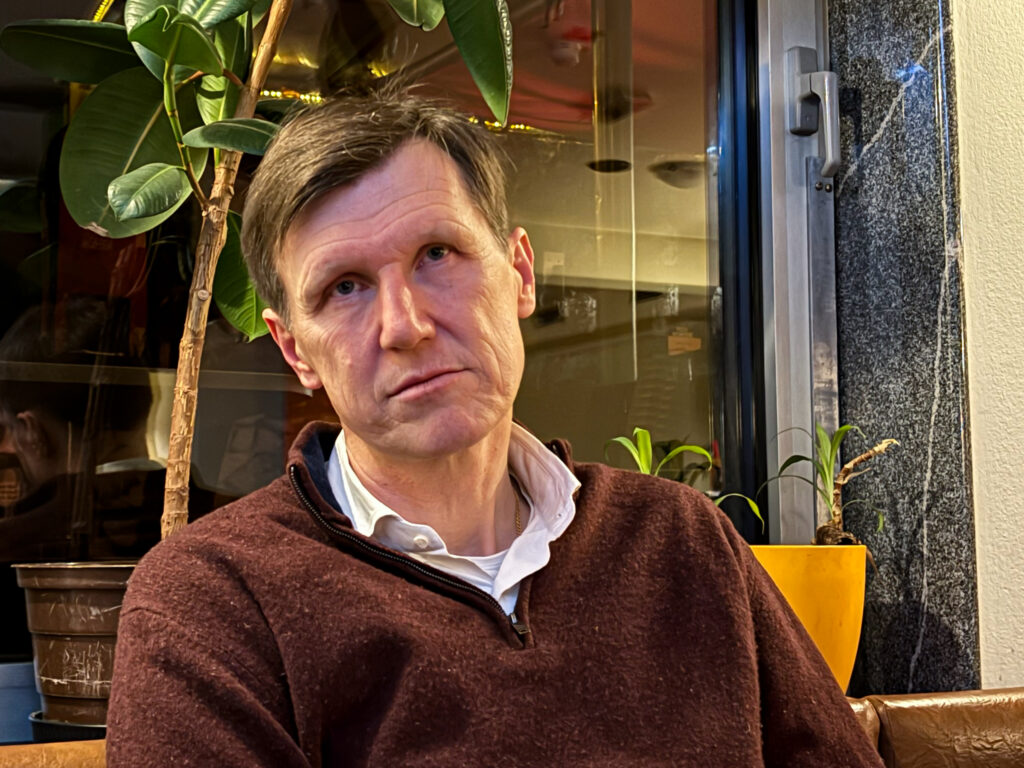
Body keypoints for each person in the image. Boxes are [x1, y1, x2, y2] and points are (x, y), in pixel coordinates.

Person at [106, 87, 883, 767]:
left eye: (437, 253)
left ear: (520, 274)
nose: (405, 325)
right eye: (344, 288)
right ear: (294, 350)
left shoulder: (681, 541)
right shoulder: (213, 602)